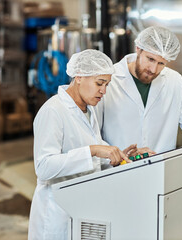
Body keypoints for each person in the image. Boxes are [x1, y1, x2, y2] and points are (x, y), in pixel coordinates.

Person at [28, 49, 137, 240]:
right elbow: (43, 167)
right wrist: (93, 151)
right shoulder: (53, 111)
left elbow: (90, 152)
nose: (103, 91)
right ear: (79, 77)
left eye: (107, 85)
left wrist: (117, 155)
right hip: (55, 213)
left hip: (81, 206)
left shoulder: (88, 110)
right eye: (99, 83)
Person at [95, 26, 182, 154]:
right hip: (117, 171)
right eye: (150, 59)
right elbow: (93, 134)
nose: (153, 69)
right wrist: (117, 155)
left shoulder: (174, 81)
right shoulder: (109, 80)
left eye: (161, 63)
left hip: (161, 169)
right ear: (138, 49)